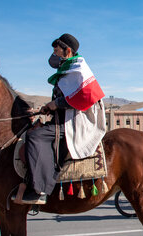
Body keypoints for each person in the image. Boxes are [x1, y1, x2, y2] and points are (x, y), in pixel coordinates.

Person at [20, 33, 106, 204]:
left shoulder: (79, 70)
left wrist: (56, 104)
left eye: (56, 50)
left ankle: (39, 190)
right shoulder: (67, 70)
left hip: (76, 122)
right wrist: (49, 107)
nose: (54, 54)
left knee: (35, 137)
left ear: (67, 51)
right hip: (63, 118)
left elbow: (83, 97)